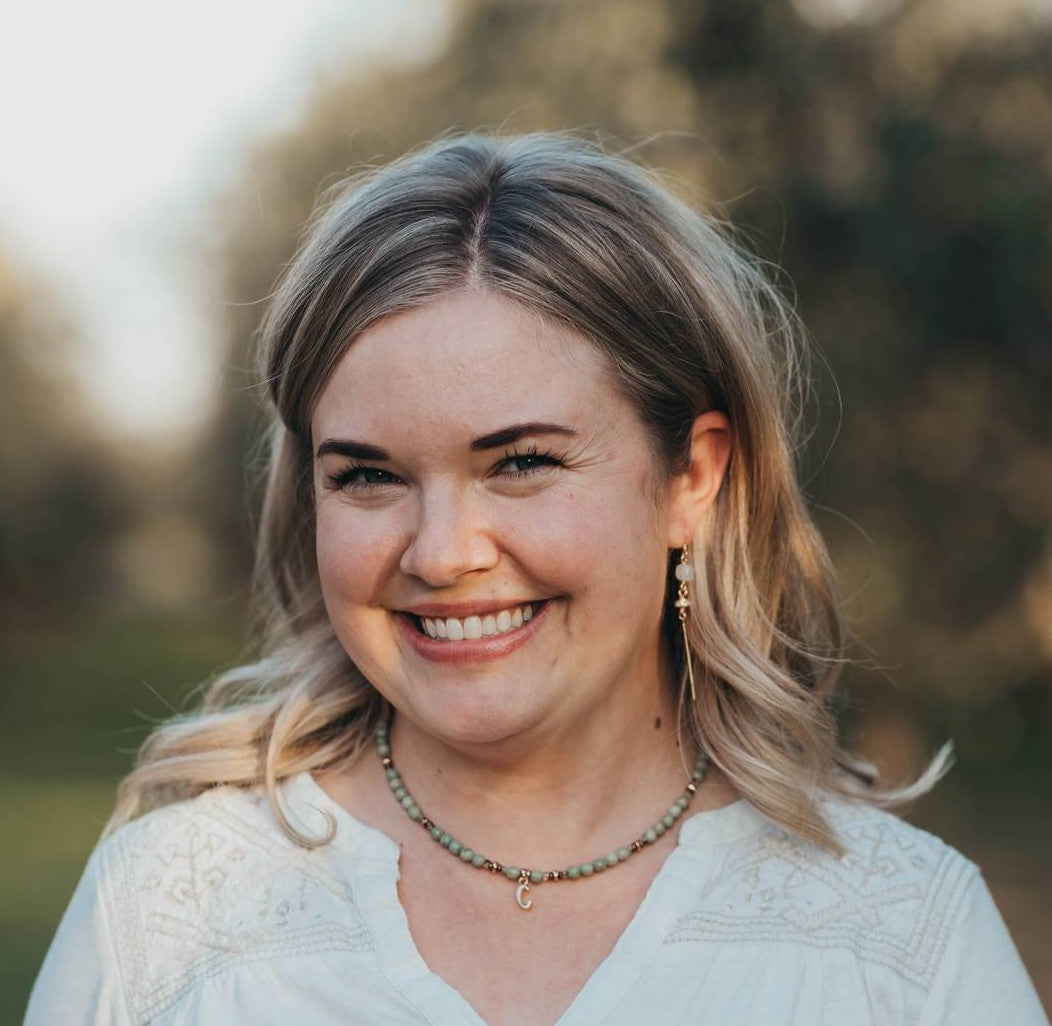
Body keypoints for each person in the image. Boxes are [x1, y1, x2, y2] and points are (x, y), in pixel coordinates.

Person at [25, 132, 1047, 1026]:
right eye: (369, 476)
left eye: (520, 462)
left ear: (690, 477)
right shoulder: (167, 916)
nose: (441, 554)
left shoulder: (902, 944)